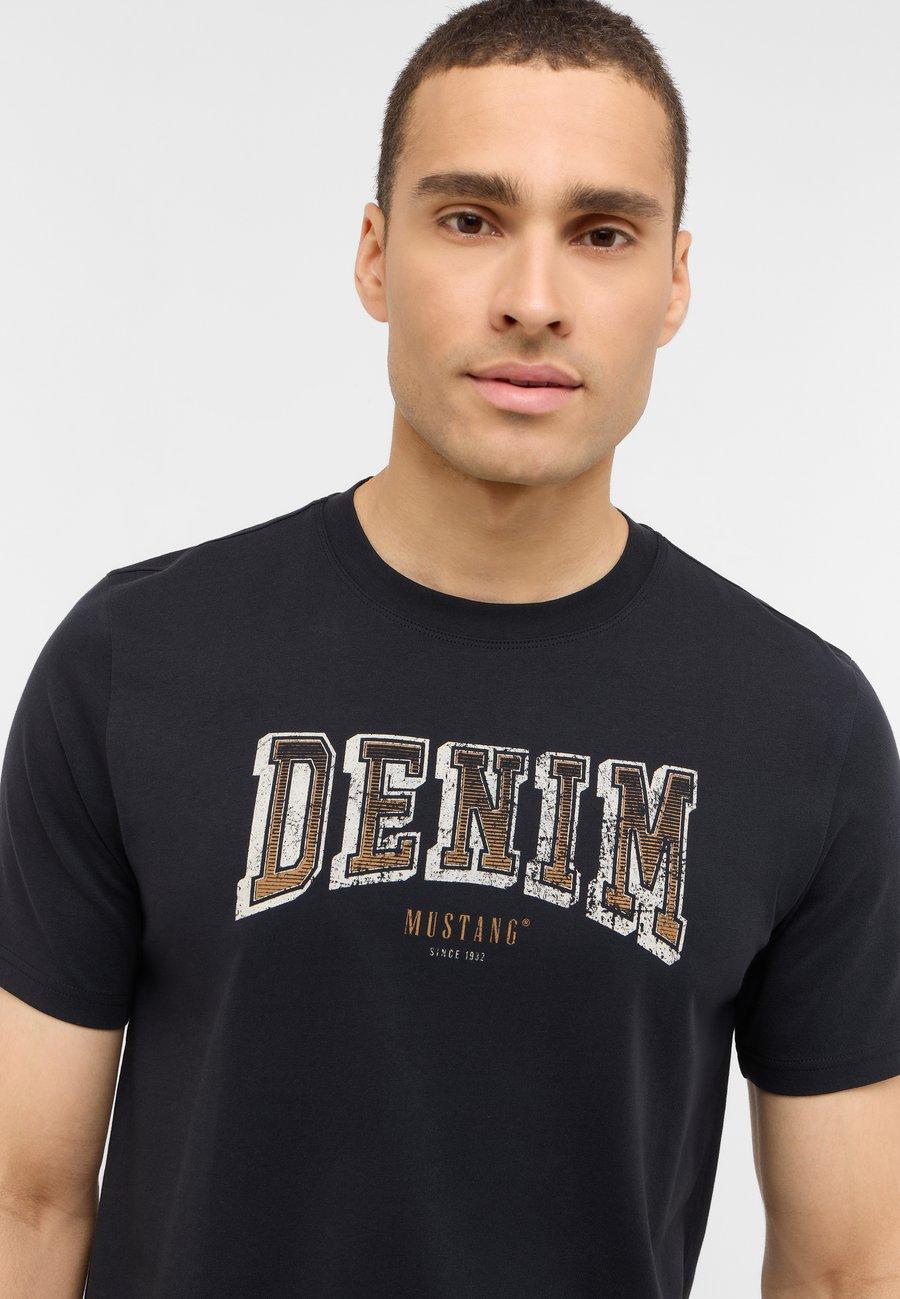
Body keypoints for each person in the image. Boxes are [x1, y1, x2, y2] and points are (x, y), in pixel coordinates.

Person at [1, 0, 898, 1294]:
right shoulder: (135, 662)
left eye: (602, 233)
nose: (532, 301)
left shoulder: (804, 729)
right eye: (471, 219)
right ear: (375, 255)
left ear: (674, 283)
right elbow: (24, 1206)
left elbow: (848, 1270)